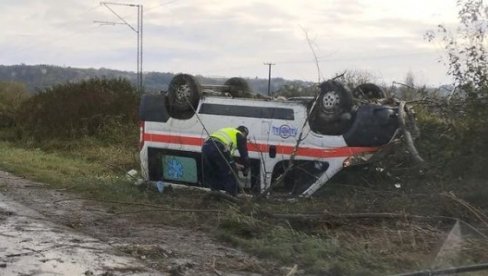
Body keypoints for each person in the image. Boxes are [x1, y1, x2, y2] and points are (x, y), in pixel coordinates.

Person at [201, 126, 249, 196]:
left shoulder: (227, 130)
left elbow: (226, 159)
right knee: (231, 172)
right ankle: (231, 196)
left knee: (214, 171)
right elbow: (244, 155)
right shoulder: (239, 135)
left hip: (206, 147)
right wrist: (246, 168)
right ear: (244, 133)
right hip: (219, 147)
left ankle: (215, 194)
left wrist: (234, 163)